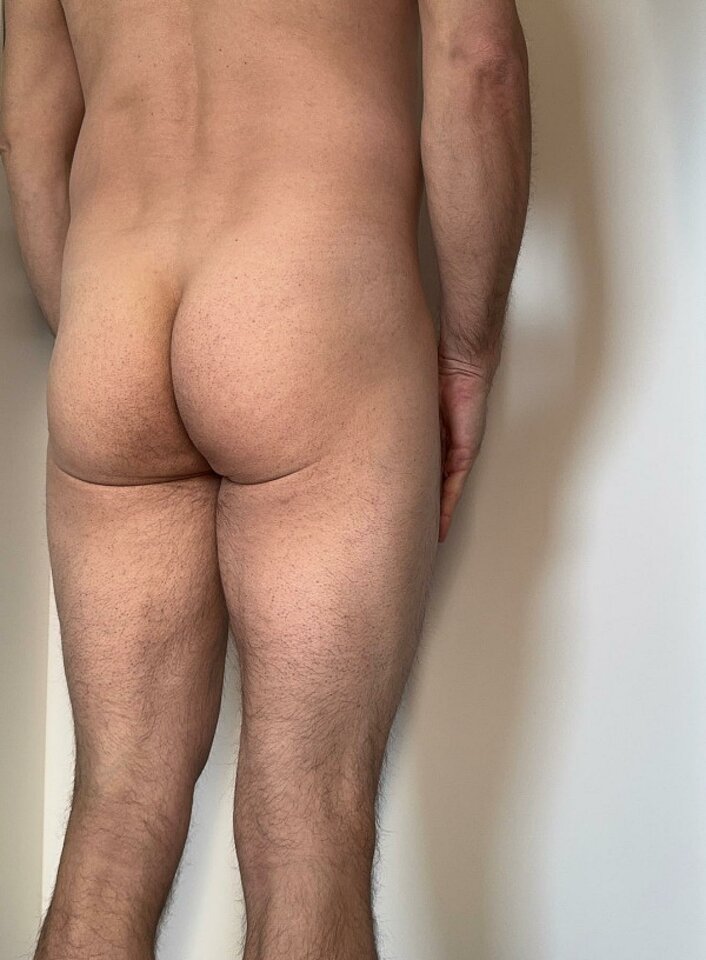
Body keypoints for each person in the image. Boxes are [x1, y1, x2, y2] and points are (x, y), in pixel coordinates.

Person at [0, 0, 530, 956]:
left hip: (114, 309)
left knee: (113, 817)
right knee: (308, 820)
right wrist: (470, 352)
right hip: (302, 302)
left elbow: (29, 124)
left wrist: (87, 332)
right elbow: (478, 61)